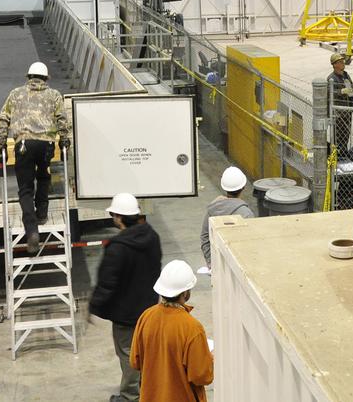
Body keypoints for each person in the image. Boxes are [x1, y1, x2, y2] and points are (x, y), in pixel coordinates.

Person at [89, 193, 163, 402]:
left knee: (129, 353)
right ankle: (146, 388)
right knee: (145, 352)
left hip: (125, 315)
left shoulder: (118, 248)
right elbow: (156, 269)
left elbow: (107, 283)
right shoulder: (152, 237)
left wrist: (94, 305)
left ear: (119, 217)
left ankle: (131, 396)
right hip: (149, 307)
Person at [0, 61, 68, 251]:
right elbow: (62, 119)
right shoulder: (54, 95)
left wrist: (2, 140)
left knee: (25, 189)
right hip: (46, 145)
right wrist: (64, 139)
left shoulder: (16, 94)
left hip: (24, 145)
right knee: (43, 176)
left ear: (28, 77)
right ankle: (42, 213)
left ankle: (32, 230)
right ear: (46, 79)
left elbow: (4, 118)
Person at [131, 260, 214, 402]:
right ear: (186, 292)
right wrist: (209, 357)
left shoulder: (146, 317)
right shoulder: (192, 328)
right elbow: (201, 376)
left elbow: (135, 361)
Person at [200, 166, 254, 269]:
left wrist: (211, 263)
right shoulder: (246, 215)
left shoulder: (212, 208)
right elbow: (249, 248)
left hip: (217, 267)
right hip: (238, 269)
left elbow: (204, 237)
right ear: (243, 187)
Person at [327, 52, 353, 157]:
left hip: (347, 111)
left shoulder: (346, 75)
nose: (343, 64)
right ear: (334, 64)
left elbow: (352, 88)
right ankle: (336, 154)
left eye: (343, 62)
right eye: (340, 62)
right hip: (338, 113)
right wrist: (341, 91)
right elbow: (329, 93)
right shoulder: (331, 78)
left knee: (346, 134)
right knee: (338, 135)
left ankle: (343, 153)